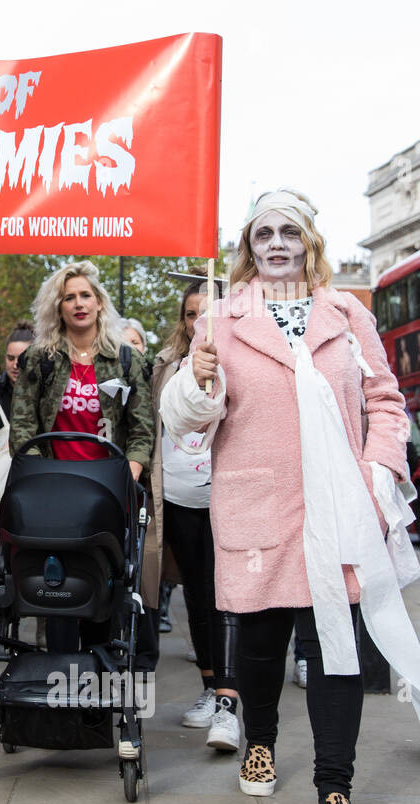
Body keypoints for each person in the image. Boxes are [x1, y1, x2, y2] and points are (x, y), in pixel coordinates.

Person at [160, 188, 413, 804]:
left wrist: (378, 470)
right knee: (263, 646)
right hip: (258, 505)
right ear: (248, 246)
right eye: (264, 232)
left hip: (340, 509)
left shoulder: (347, 314)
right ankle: (262, 741)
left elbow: (386, 401)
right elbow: (187, 418)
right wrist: (198, 379)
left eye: (290, 232)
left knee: (336, 649)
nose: (277, 243)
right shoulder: (223, 316)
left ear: (309, 242)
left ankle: (335, 790)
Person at [8, 260, 156, 667]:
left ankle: (103, 679)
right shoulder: (40, 360)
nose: (78, 303)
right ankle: (58, 677)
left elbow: (143, 431)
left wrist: (131, 472)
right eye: (68, 297)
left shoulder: (127, 360)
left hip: (109, 493)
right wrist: (44, 477)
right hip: (55, 495)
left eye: (85, 295)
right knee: (59, 588)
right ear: (58, 307)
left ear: (99, 302)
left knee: (107, 590)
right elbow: (23, 430)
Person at [150, 274, 240, 750]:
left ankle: (232, 695)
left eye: (207, 311)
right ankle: (211, 687)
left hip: (231, 498)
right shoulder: (166, 364)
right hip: (182, 500)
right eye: (191, 314)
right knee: (200, 597)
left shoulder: (243, 359)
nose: (199, 322)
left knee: (232, 597)